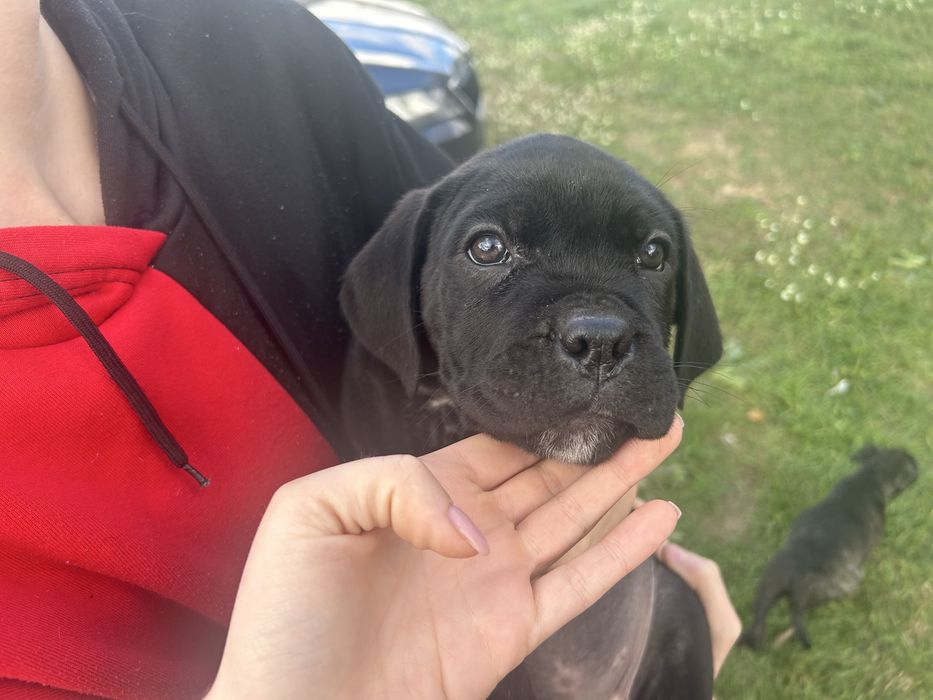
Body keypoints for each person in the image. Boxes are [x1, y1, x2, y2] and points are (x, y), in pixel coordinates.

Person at [0, 0, 737, 697]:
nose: (594, 329)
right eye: (491, 247)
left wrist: (653, 615)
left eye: (648, 254)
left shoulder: (252, 48)